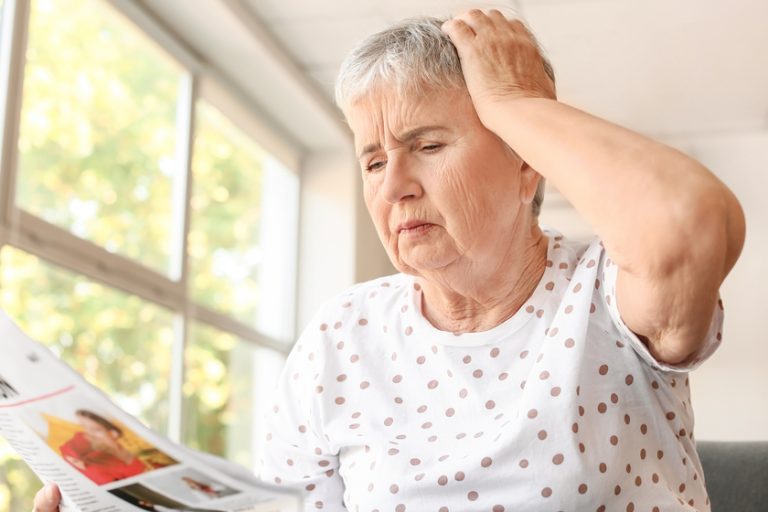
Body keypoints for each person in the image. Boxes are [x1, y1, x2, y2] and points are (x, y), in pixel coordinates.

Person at [35, 8, 745, 512]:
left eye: (429, 146)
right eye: (374, 159)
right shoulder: (342, 336)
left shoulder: (604, 291)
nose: (395, 183)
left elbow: (689, 226)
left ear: (526, 160)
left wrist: (516, 100)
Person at [59, 409, 147, 485]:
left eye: (96, 430)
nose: (89, 435)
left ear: (113, 433)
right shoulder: (85, 456)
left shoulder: (142, 456)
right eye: (84, 428)